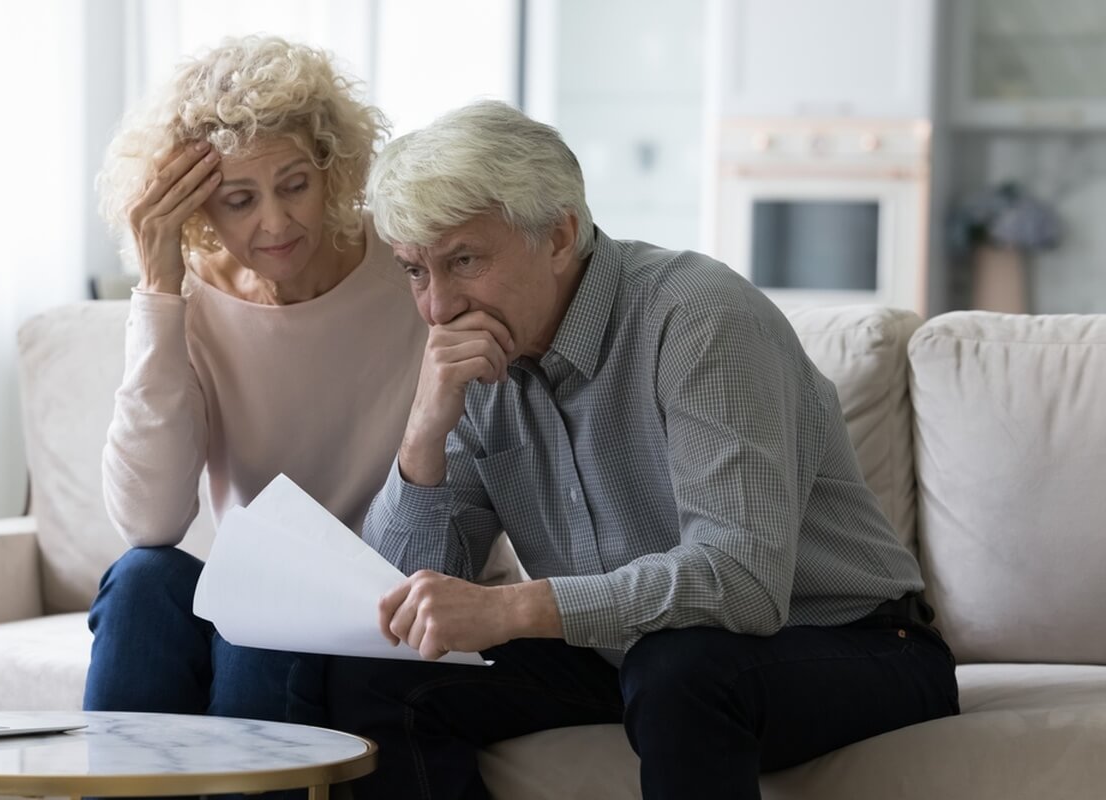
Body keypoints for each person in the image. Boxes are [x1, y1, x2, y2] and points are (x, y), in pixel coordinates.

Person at [326, 100, 960, 799]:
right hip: (625, 651)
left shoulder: (696, 319)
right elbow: (406, 610)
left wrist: (514, 609)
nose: (438, 307)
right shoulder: (475, 364)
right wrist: (424, 433)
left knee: (679, 668)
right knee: (368, 674)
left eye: (464, 260)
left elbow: (741, 583)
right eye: (416, 271)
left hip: (855, 644)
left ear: (560, 234)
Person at [82, 35, 429, 729]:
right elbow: (151, 523)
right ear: (196, 209)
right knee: (141, 583)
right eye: (238, 199)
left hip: (379, 591)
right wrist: (159, 292)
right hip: (258, 589)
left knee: (260, 622)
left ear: (335, 170)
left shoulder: (411, 275)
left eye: (295, 185)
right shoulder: (190, 303)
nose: (275, 222)